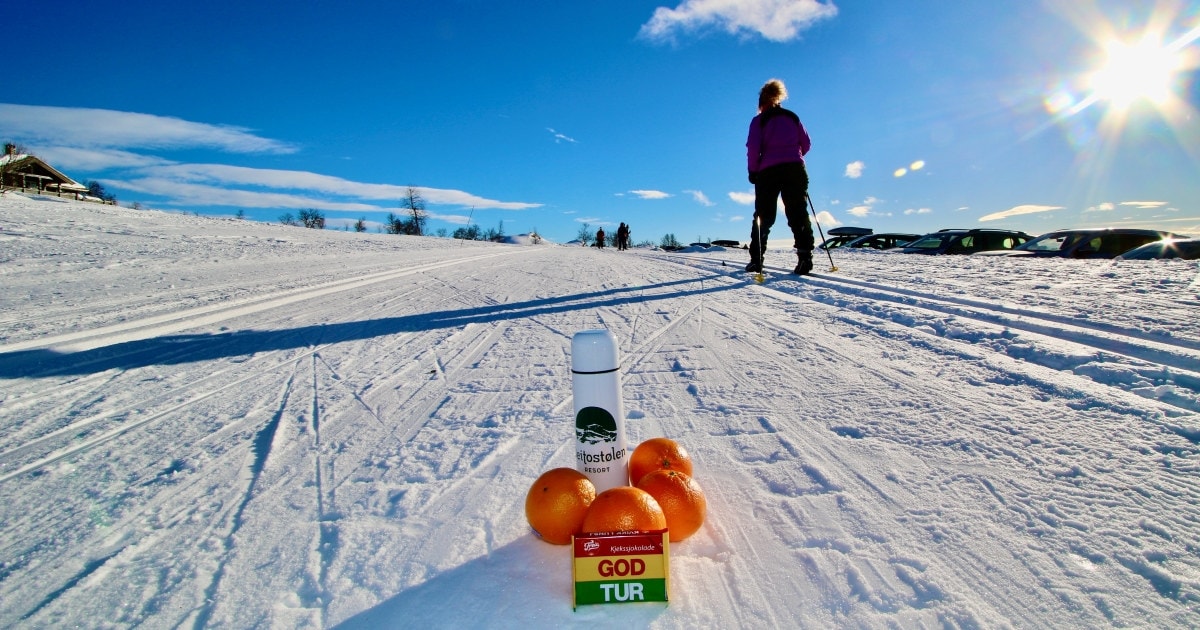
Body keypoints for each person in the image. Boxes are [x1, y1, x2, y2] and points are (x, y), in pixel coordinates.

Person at [745, 78, 813, 275]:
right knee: (798, 212)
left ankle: (756, 260)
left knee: (764, 215)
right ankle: (805, 256)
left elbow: (753, 148)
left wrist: (753, 171)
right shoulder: (792, 117)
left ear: (762, 102)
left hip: (768, 171)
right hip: (795, 168)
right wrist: (794, 155)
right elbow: (806, 143)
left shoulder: (759, 120)